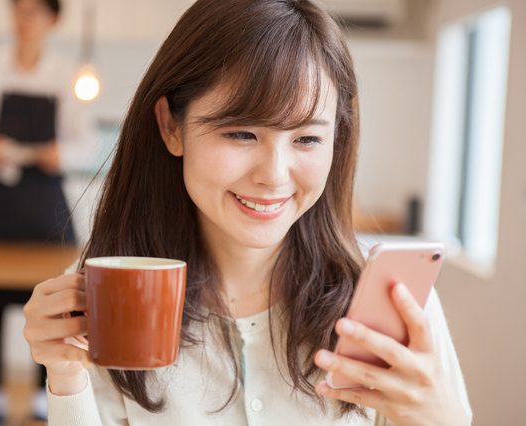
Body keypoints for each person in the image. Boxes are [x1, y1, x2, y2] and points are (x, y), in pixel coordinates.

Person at [23, 0, 473, 424]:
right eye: (241, 134)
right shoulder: (105, 297)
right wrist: (64, 377)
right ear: (170, 126)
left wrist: (444, 417)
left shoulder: (395, 306)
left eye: (307, 139)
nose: (274, 176)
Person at [0, 0, 91, 423]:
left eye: (33, 12)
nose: (23, 20)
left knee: (53, 302)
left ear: (53, 20)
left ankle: (39, 396)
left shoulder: (68, 75)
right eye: (18, 10)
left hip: (45, 204)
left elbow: (85, 143)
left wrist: (58, 153)